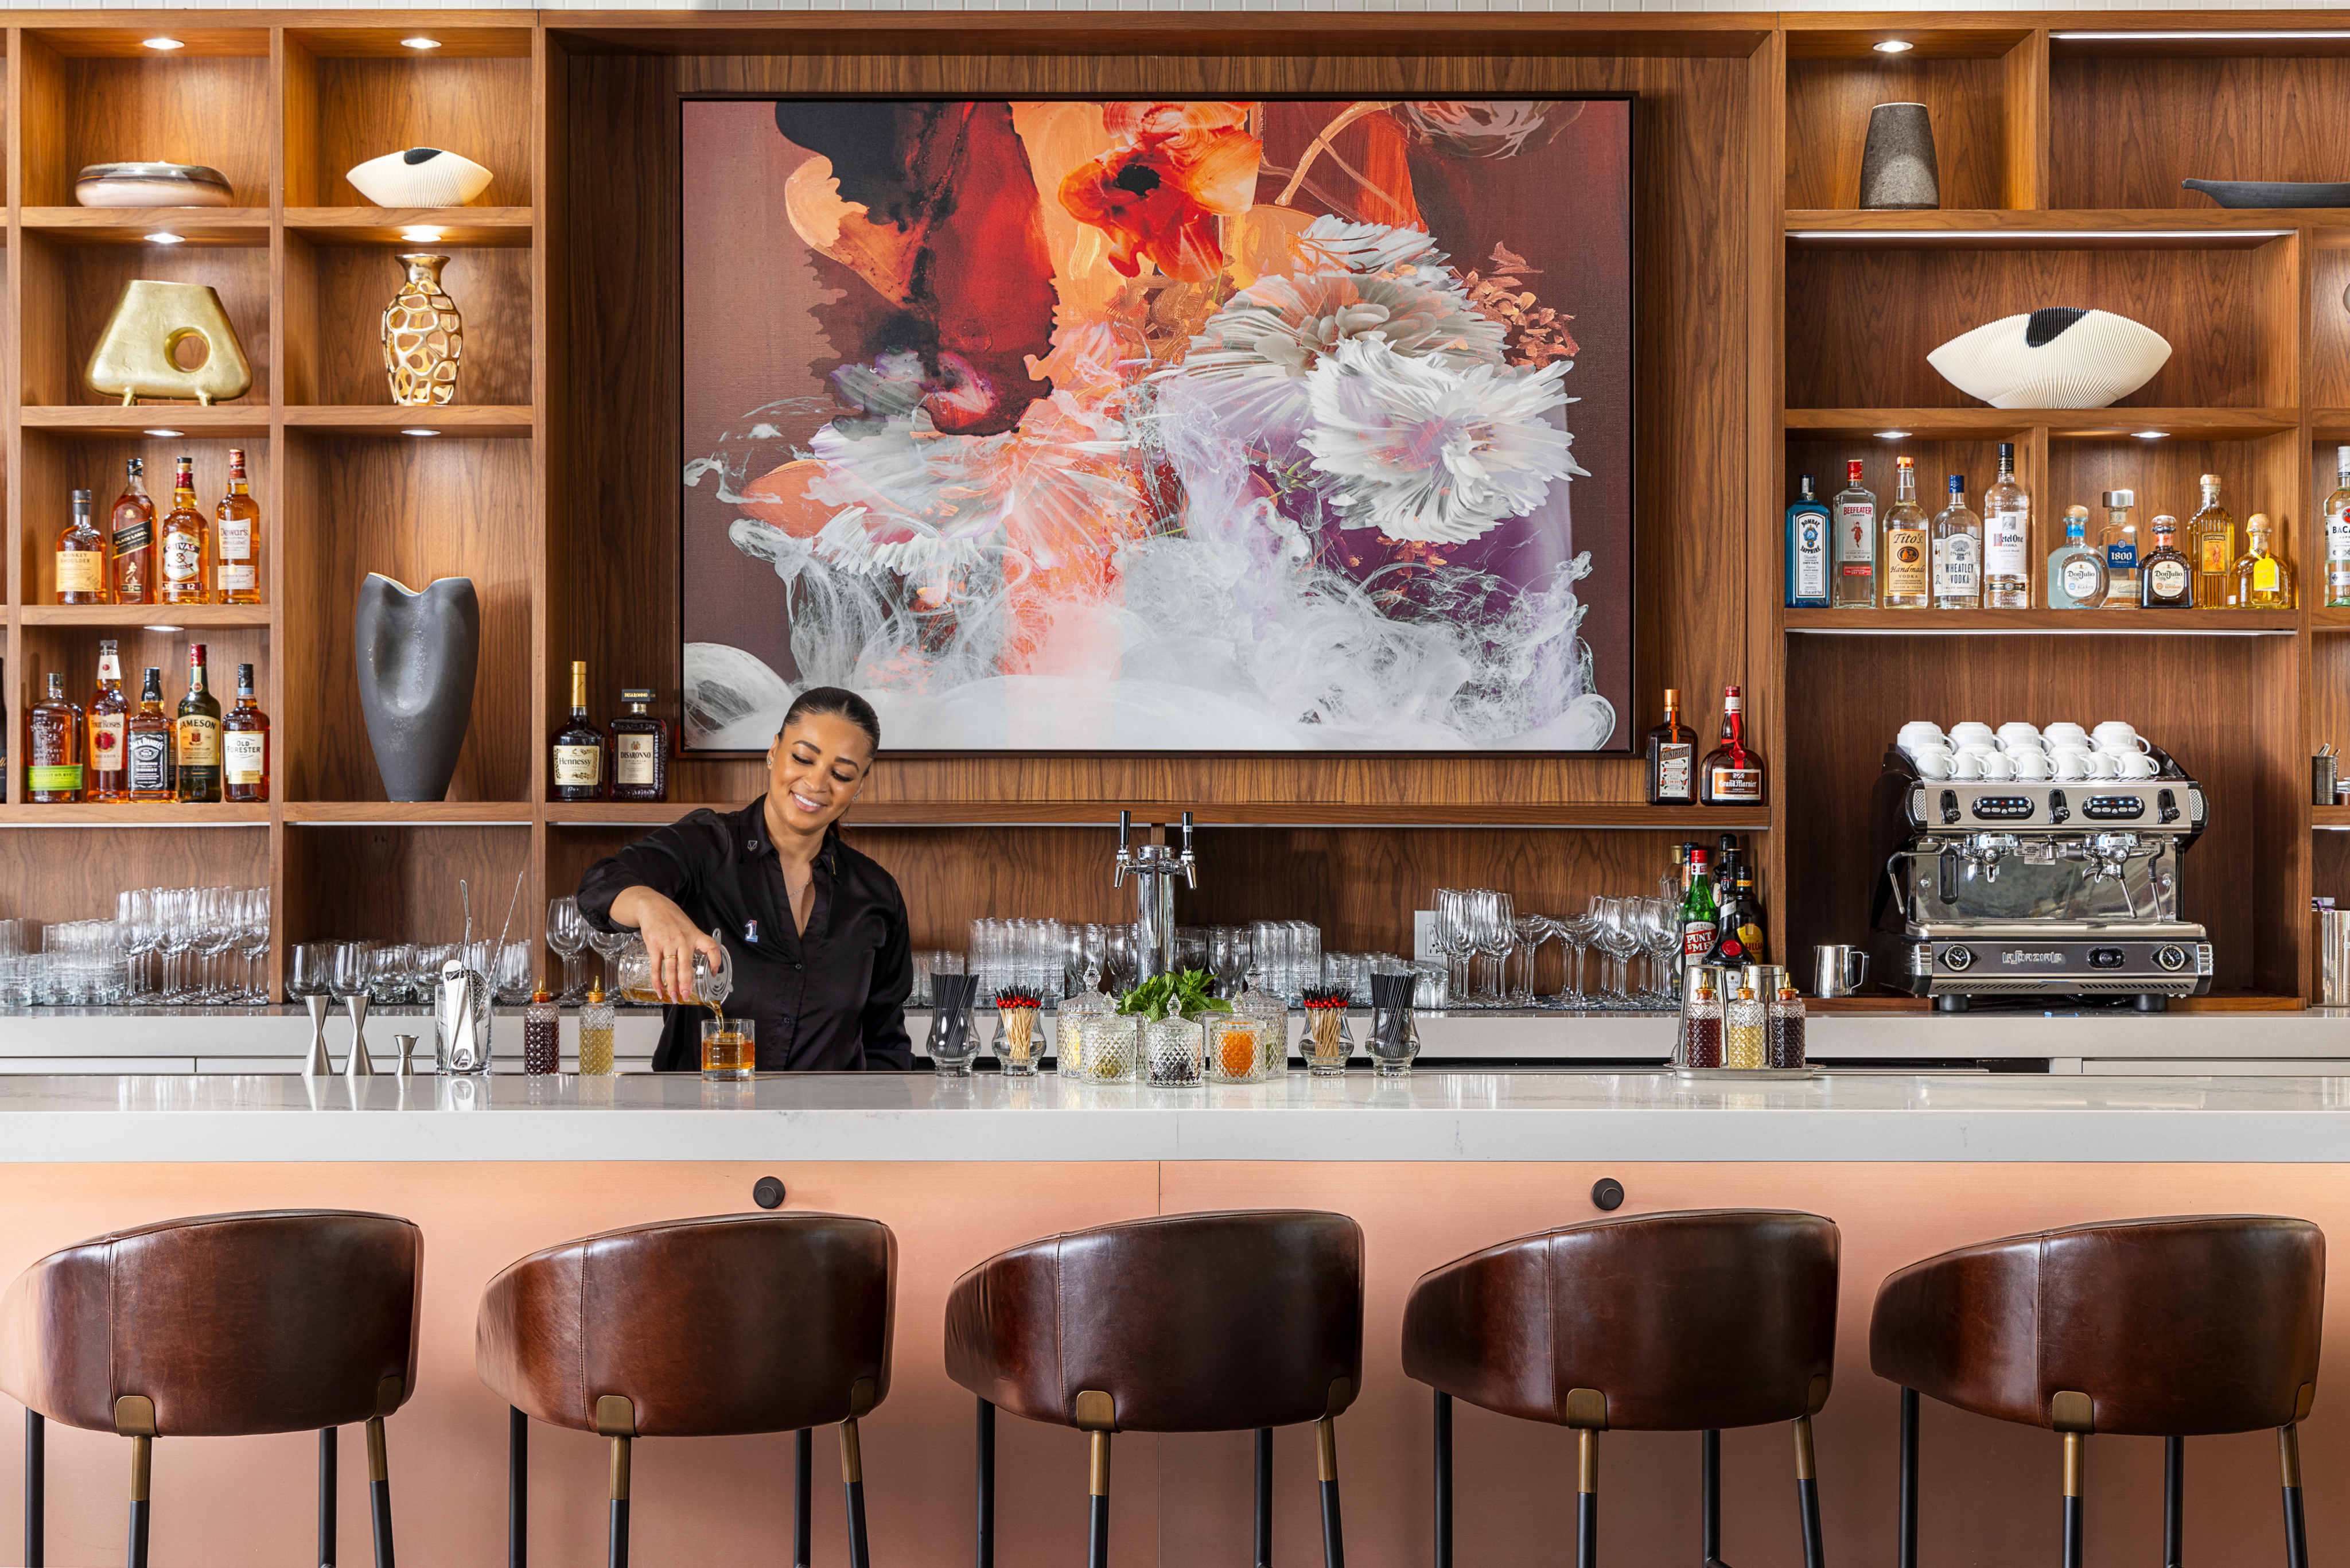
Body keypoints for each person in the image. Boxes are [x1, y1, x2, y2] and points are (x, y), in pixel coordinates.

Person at [577, 687, 913, 1072]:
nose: (817, 783)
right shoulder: (709, 845)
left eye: (841, 773)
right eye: (803, 757)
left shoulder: (876, 894)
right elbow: (598, 884)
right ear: (773, 751)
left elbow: (887, 1044)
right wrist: (649, 905)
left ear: (860, 785)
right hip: (701, 1123)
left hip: (829, 1128)